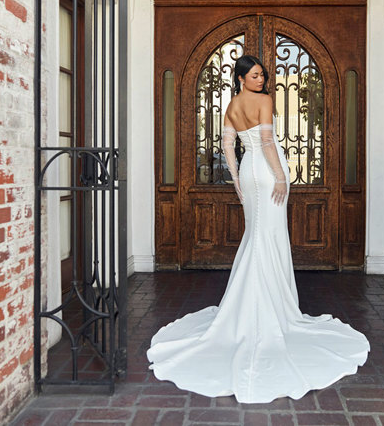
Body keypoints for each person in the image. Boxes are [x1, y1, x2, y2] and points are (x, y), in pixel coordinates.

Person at [146, 55, 370, 404]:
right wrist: (281, 176)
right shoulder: (264, 102)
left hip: (249, 173)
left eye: (263, 75)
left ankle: (249, 307)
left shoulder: (232, 106)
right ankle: (269, 311)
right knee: (268, 237)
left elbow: (226, 146)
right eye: (254, 75)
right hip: (267, 171)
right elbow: (267, 143)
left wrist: (236, 181)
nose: (261, 79)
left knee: (257, 236)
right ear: (240, 77)